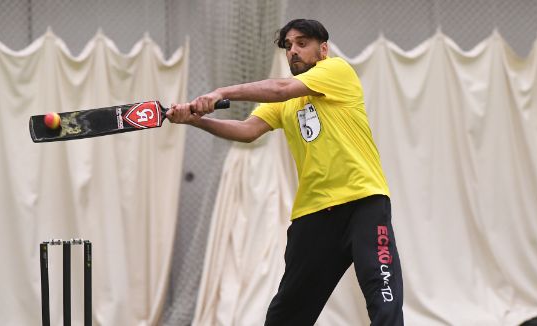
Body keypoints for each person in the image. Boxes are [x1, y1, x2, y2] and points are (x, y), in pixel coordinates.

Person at [167, 18, 404, 326]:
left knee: (383, 301)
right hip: (313, 214)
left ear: (323, 49)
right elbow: (247, 130)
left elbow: (280, 88)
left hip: (363, 203)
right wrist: (194, 120)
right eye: (288, 46)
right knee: (286, 315)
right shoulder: (287, 103)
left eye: (302, 44)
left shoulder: (336, 71)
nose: (293, 51)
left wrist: (219, 92)